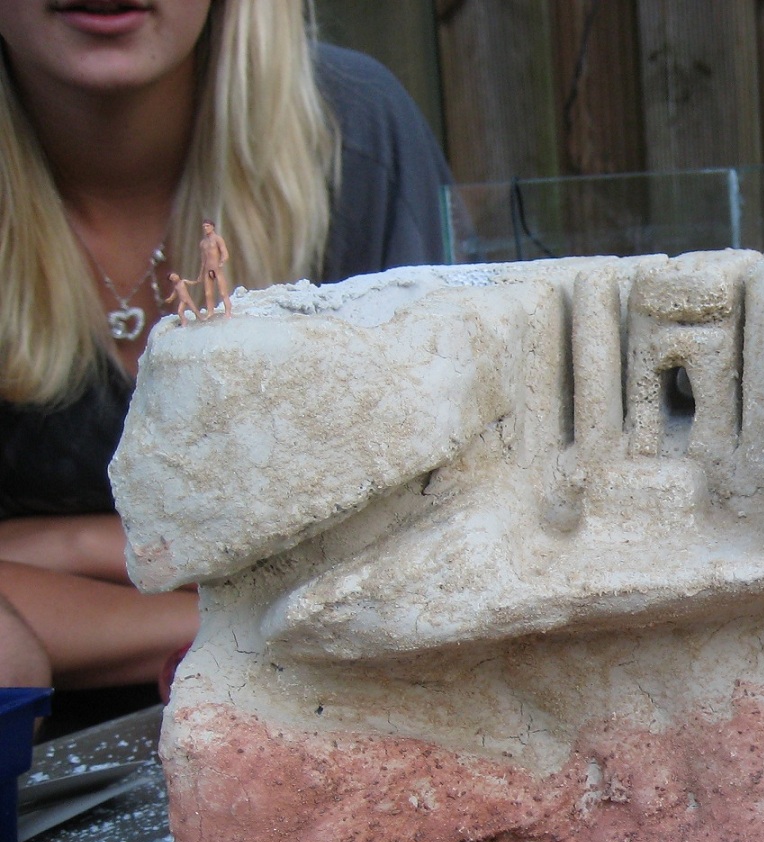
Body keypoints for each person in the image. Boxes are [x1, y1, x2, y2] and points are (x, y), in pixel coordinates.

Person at [0, 0, 451, 692]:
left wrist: (75, 546)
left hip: (341, 708)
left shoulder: (350, 131)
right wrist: (256, 623)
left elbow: (429, 544)